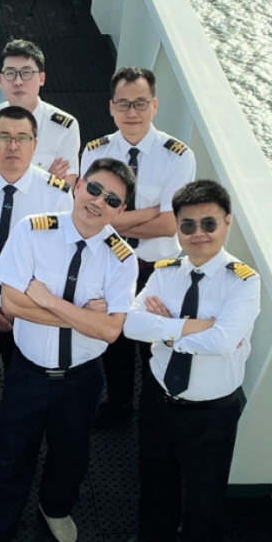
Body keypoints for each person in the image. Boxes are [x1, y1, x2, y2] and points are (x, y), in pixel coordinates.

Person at [0, 158, 138, 542]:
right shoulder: (33, 230)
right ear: (78, 187)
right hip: (30, 371)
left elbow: (111, 332)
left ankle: (55, 508)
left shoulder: (122, 258)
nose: (98, 202)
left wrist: (48, 300)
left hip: (82, 378)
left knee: (71, 453)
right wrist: (84, 317)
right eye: (94, 189)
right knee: (11, 453)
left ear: (121, 211)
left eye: (112, 199)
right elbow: (11, 303)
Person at [119, 179, 260, 542]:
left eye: (208, 224)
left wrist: (166, 328)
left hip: (210, 412)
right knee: (154, 473)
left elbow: (222, 341)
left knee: (205, 502)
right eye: (188, 225)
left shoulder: (244, 281)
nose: (198, 234)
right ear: (177, 229)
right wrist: (195, 327)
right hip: (160, 397)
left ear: (227, 223)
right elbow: (132, 325)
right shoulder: (164, 272)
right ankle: (154, 535)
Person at [0, 105, 74, 480]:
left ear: (35, 144)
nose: (12, 146)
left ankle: (16, 452)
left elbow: (56, 266)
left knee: (25, 388)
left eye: (22, 138)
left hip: (28, 312)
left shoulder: (56, 197)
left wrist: (19, 308)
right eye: (4, 137)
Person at [80, 66, 197, 421]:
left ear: (154, 106)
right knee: (113, 340)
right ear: (111, 108)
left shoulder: (178, 156)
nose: (132, 112)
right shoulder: (95, 153)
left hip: (156, 270)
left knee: (154, 342)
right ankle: (118, 404)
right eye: (124, 104)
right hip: (111, 263)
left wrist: (111, 217)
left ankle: (152, 410)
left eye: (140, 103)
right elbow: (90, 217)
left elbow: (168, 225)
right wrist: (150, 211)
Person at [0, 39, 81, 184]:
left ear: (41, 78)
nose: (18, 82)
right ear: (0, 80)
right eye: (10, 73)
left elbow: (65, 189)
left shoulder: (65, 128)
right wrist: (46, 180)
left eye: (26, 73)